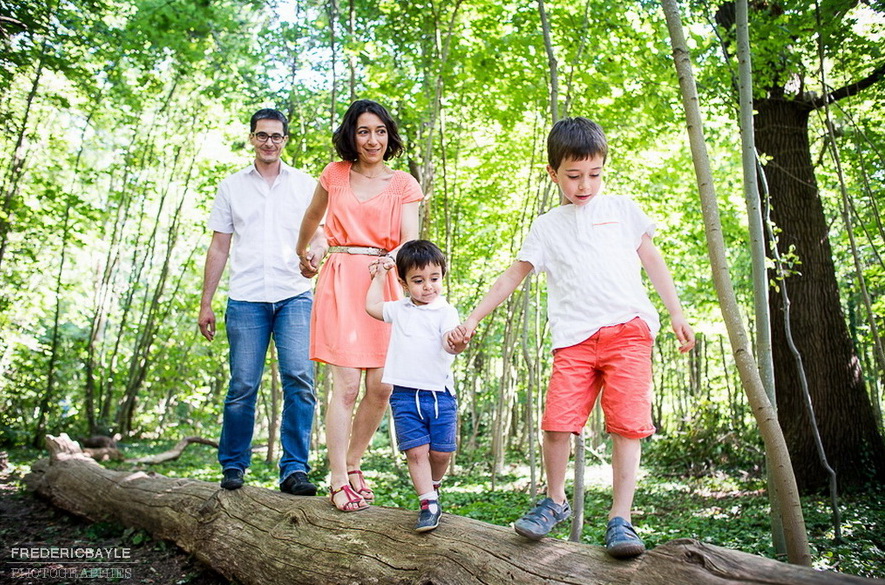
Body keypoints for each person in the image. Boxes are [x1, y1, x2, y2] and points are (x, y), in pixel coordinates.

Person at [453, 117, 695, 558]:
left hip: (628, 331)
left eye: (594, 174)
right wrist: (472, 319)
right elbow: (513, 276)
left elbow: (653, 259)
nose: (585, 185)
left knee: (627, 426)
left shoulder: (622, 210)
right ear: (553, 174)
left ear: (604, 168)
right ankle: (555, 500)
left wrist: (676, 312)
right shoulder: (548, 226)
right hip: (573, 340)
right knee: (557, 423)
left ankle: (620, 519)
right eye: (574, 176)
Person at [296, 99, 423, 512]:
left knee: (381, 387)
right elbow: (315, 221)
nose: (373, 139)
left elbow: (409, 238)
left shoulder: (404, 183)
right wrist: (307, 251)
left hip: (384, 280)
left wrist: (392, 262)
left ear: (390, 136)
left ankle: (353, 464)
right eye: (364, 131)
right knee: (346, 386)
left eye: (380, 131)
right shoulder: (335, 174)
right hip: (341, 280)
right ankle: (335, 478)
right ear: (352, 135)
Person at [199, 108, 326, 495]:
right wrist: (206, 303)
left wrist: (316, 256)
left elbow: (322, 234)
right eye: (262, 135)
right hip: (246, 298)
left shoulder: (306, 184)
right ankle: (234, 466)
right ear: (252, 138)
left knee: (300, 381)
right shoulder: (231, 187)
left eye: (276, 136)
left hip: (294, 295)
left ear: (285, 140)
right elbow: (219, 247)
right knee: (242, 385)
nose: (269, 142)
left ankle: (294, 470)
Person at [365, 240, 467, 532]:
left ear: (442, 276)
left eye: (434, 279)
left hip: (440, 395)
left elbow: (451, 343)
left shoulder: (446, 311)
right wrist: (379, 276)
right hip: (405, 394)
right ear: (405, 283)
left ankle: (434, 486)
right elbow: (371, 306)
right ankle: (427, 503)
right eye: (418, 281)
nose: (428, 287)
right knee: (416, 452)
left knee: (441, 453)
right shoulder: (400, 309)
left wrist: (457, 343)